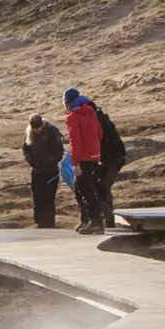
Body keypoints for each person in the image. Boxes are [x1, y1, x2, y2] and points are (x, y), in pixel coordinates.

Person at [63, 88, 104, 234]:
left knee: (86, 190)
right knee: (80, 186)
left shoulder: (72, 117)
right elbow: (100, 133)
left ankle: (96, 222)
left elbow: (75, 142)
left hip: (84, 158)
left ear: (67, 102)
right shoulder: (91, 112)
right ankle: (86, 219)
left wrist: (75, 163)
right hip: (95, 155)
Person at [92, 97, 128, 230]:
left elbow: (104, 143)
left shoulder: (101, 122)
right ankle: (104, 218)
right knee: (97, 184)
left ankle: (108, 220)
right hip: (107, 158)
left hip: (114, 158)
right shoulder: (101, 120)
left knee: (104, 185)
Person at [23, 114, 64, 228]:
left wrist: (46, 161)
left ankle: (49, 223)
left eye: (38, 128)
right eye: (34, 128)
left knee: (48, 197)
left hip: (50, 171)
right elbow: (26, 149)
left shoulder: (52, 132)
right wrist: (31, 160)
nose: (36, 130)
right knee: (37, 196)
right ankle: (39, 222)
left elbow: (58, 153)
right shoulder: (29, 132)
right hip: (36, 171)